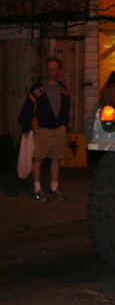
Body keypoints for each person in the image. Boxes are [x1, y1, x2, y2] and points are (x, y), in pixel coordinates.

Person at [18, 57, 70, 202]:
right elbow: (27, 108)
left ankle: (54, 188)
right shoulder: (37, 88)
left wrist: (64, 125)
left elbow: (66, 109)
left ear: (59, 71)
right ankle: (37, 189)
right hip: (42, 129)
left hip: (59, 129)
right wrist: (26, 127)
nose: (50, 72)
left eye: (53, 69)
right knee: (38, 159)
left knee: (56, 159)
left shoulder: (64, 89)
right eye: (48, 69)